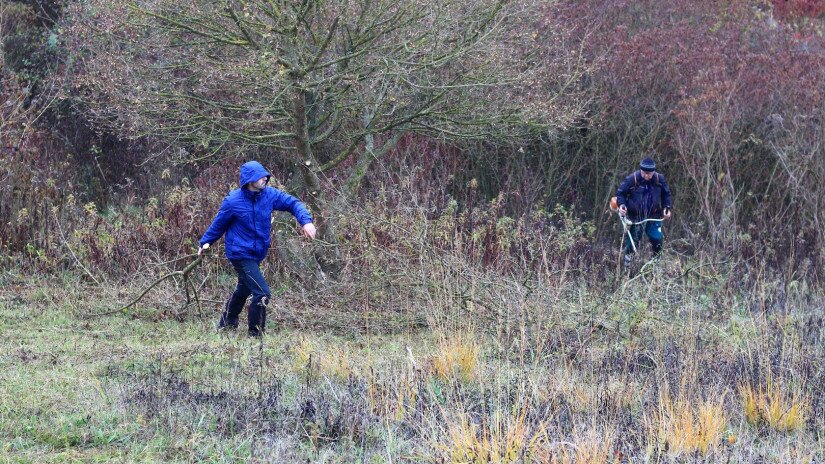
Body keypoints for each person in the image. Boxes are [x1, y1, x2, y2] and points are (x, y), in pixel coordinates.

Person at [198, 160, 317, 337]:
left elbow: (293, 203)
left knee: (244, 288)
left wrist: (306, 221)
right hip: (239, 253)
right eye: (260, 177)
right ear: (249, 180)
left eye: (265, 176)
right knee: (262, 292)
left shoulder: (269, 195)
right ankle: (255, 335)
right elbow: (218, 225)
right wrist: (204, 243)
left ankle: (227, 323)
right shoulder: (233, 201)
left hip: (257, 253)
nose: (264, 179)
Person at [616, 157, 672, 267]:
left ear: (653, 172)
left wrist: (667, 207)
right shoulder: (632, 179)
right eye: (644, 173)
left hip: (653, 216)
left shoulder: (659, 179)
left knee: (657, 239)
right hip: (636, 217)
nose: (646, 176)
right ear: (640, 170)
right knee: (632, 243)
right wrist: (622, 205)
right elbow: (620, 194)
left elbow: (666, 194)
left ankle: (656, 266)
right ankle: (627, 268)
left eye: (649, 174)